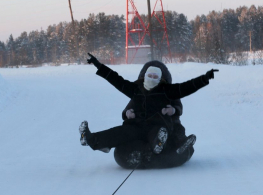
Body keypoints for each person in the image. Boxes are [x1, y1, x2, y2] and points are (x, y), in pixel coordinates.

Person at [80, 53, 217, 166]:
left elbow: (187, 87)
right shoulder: (136, 90)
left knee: (159, 132)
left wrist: (205, 78)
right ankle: (91, 139)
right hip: (137, 127)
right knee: (120, 132)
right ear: (144, 76)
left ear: (161, 79)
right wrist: (98, 65)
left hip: (157, 125)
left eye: (155, 77)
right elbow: (116, 80)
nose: (152, 79)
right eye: (149, 76)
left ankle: (160, 145)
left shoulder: (167, 91)